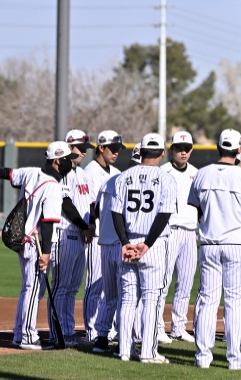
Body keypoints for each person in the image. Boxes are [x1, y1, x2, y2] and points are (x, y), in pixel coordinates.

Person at [188, 129, 241, 370]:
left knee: (207, 301)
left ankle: (202, 358)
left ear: (218, 148)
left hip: (209, 243)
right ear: (239, 149)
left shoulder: (201, 174)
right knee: (233, 302)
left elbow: (195, 209)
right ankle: (235, 360)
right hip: (236, 244)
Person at [111, 133, 177, 364]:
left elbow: (116, 213)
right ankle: (148, 352)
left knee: (128, 299)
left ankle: (125, 351)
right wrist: (147, 244)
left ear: (140, 153)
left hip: (129, 242)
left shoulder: (123, 177)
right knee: (151, 299)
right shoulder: (166, 178)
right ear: (161, 153)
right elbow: (164, 214)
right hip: (153, 244)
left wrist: (124, 242)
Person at [9, 142, 78, 349]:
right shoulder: (52, 186)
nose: (72, 162)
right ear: (57, 161)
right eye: (68, 159)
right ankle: (28, 337)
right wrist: (46, 254)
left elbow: (8, 174)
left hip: (25, 239)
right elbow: (48, 223)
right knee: (33, 290)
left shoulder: (31, 173)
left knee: (27, 289)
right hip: (36, 242)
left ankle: (18, 334)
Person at [46, 130, 96, 347]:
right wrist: (84, 226)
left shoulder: (82, 173)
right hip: (66, 233)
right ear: (68, 147)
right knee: (61, 286)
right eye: (79, 147)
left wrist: (91, 224)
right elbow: (66, 204)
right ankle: (58, 333)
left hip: (81, 234)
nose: (83, 152)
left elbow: (91, 203)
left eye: (85, 148)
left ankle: (68, 331)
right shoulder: (63, 172)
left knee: (72, 287)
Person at [92, 144, 142, 354]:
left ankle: (101, 339)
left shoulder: (108, 181)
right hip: (121, 245)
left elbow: (95, 211)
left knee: (110, 296)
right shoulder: (132, 184)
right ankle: (124, 341)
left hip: (104, 245)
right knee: (128, 297)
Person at [84, 130, 125, 342]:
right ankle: (92, 331)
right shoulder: (91, 171)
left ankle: (108, 330)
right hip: (96, 235)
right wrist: (90, 226)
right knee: (95, 285)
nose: (116, 152)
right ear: (101, 147)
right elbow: (91, 205)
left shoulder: (116, 171)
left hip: (112, 236)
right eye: (113, 148)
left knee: (111, 288)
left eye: (118, 149)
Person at [158, 131, 199, 343]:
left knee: (185, 282)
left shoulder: (196, 173)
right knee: (163, 281)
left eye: (186, 148)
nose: (183, 152)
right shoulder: (163, 171)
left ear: (191, 150)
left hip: (190, 232)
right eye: (179, 148)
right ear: (171, 149)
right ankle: (158, 327)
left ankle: (178, 327)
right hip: (169, 231)